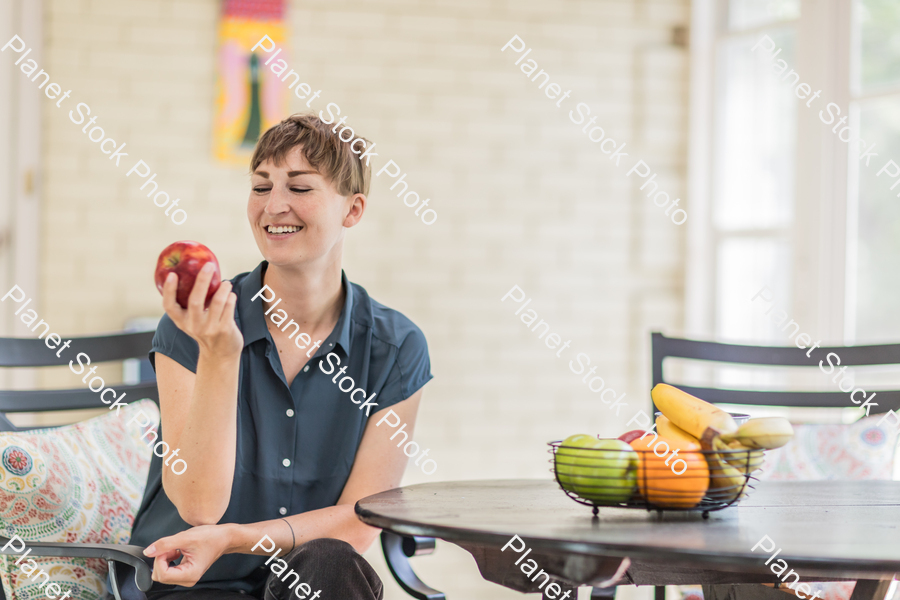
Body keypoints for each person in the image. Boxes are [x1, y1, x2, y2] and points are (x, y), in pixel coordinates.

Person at [126, 114, 433, 600]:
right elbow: (199, 507)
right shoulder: (194, 323)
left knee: (331, 561)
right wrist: (221, 356)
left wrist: (236, 539)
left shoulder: (395, 348)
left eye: (300, 188)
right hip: (192, 583)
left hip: (309, 580)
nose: (274, 206)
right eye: (261, 186)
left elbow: (358, 523)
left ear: (352, 210)